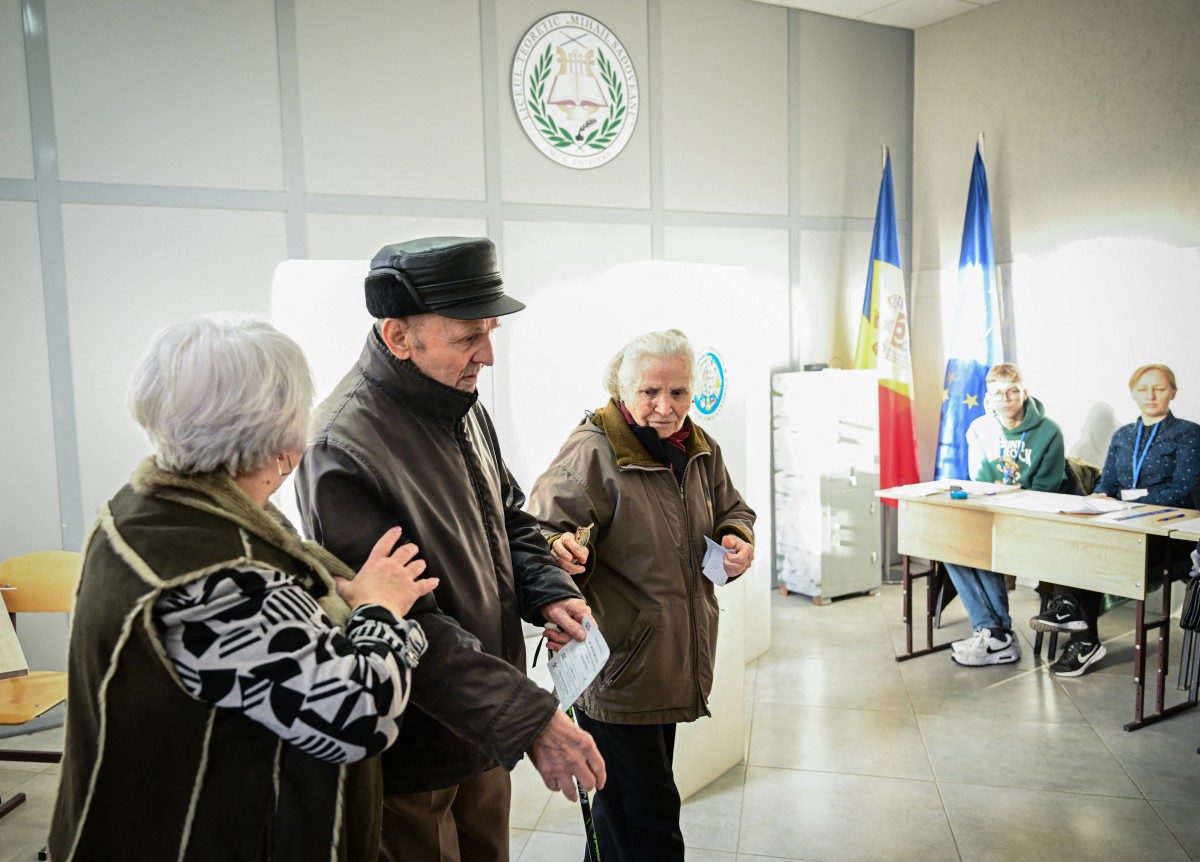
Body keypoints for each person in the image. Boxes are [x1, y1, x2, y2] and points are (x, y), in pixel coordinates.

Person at [48, 317, 436, 862]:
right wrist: (381, 607)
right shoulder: (218, 580)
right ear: (281, 439)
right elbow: (358, 715)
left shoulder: (137, 511)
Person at [294, 236, 605, 862]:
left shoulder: (458, 402)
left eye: (490, 332)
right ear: (398, 335)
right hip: (414, 747)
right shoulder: (341, 447)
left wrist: (549, 591)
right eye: (468, 337)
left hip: (484, 730)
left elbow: (507, 515)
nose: (487, 356)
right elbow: (406, 621)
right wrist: (531, 719)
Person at [527, 328, 756, 862]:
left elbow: (733, 510)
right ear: (620, 389)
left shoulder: (698, 447)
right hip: (616, 666)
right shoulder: (593, 451)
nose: (664, 407)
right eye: (649, 392)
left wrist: (737, 540)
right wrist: (558, 546)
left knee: (621, 818)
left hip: (668, 660)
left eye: (678, 392)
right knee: (647, 818)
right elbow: (536, 532)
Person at [1032, 363, 1200, 677]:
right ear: (1133, 392)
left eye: (1160, 388)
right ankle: (1072, 616)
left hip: (1168, 534)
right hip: (1124, 525)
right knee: (1073, 541)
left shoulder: (1188, 433)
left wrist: (1127, 498)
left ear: (1173, 392)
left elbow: (1182, 491)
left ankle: (1082, 639)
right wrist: (1101, 496)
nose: (1151, 395)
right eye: (1143, 388)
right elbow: (1107, 481)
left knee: (1097, 553)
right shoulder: (1123, 435)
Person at [947, 363, 1069, 667]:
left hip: (1033, 517)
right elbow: (981, 480)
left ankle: (996, 635)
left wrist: (1010, 492)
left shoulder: (1049, 432)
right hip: (995, 512)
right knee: (950, 546)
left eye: (1013, 391)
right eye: (998, 393)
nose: (1006, 398)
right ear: (988, 397)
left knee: (986, 547)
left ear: (1024, 392)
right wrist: (1002, 491)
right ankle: (994, 632)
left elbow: (1046, 488)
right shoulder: (979, 429)